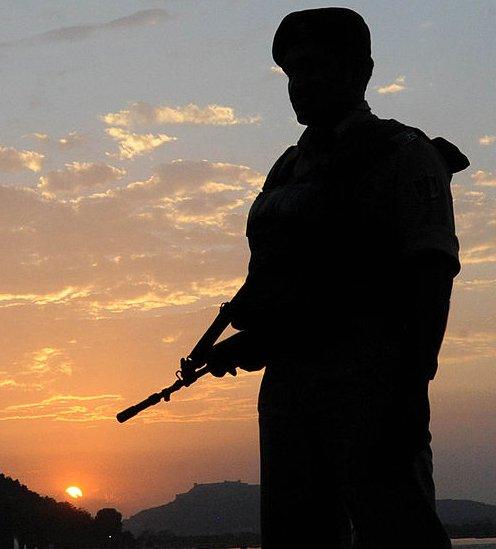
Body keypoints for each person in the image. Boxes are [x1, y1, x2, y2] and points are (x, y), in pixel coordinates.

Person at [205, 8, 468, 548]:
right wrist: (247, 343)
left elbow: (430, 272)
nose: (300, 84)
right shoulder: (286, 169)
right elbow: (284, 284)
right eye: (291, 73)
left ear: (360, 71)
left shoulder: (403, 154)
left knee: (398, 531)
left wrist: (411, 389)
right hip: (289, 394)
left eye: (315, 66)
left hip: (373, 388)